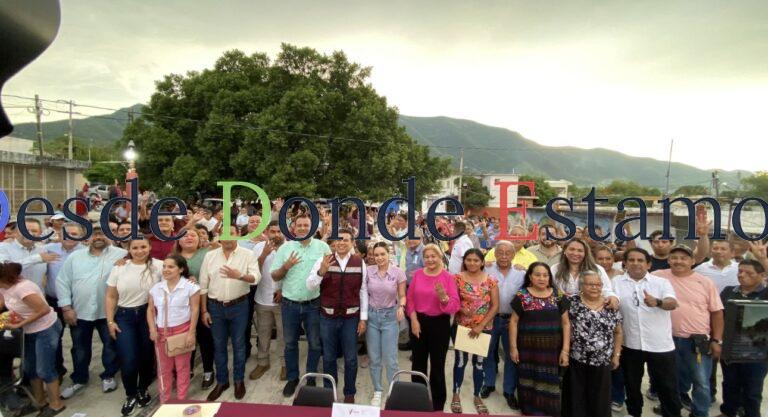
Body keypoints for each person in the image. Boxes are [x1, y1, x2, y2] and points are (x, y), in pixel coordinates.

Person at [654, 245, 724, 417]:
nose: (678, 261)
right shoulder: (657, 277)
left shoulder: (705, 282)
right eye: (675, 257)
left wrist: (717, 340)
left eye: (684, 258)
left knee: (701, 382)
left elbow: (716, 313)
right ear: (668, 260)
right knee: (671, 380)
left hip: (697, 341)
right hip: (666, 339)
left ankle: (700, 413)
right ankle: (671, 409)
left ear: (693, 261)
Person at [56, 225, 125, 399]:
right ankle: (79, 378)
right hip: (80, 312)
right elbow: (62, 281)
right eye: (95, 235)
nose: (99, 237)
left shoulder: (121, 254)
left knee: (110, 346)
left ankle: (108, 375)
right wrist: (66, 307)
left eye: (103, 234)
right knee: (79, 348)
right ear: (87, 238)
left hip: (108, 312)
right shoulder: (75, 257)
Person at [612, 248, 681, 417]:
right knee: (632, 386)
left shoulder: (661, 283)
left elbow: (672, 303)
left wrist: (657, 302)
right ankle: (635, 413)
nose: (636, 263)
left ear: (648, 264)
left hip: (660, 345)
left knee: (667, 387)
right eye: (632, 260)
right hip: (631, 344)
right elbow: (611, 298)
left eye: (640, 260)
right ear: (625, 263)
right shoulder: (616, 282)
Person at [270, 213, 331, 397]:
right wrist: (286, 266)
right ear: (293, 228)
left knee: (314, 343)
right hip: (289, 305)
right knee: (290, 344)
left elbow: (330, 275)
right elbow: (274, 276)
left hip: (313, 304)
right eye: (300, 225)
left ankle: (310, 376)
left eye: (307, 225)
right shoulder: (285, 249)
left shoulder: (323, 247)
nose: (304, 228)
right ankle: (292, 378)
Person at [199, 225, 260, 401]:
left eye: (231, 233)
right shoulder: (210, 256)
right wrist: (204, 311)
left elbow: (256, 277)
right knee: (219, 346)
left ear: (238, 235)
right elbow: (203, 285)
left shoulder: (247, 255)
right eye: (223, 234)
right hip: (215, 307)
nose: (227, 237)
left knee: (239, 344)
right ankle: (222, 381)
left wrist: (239, 276)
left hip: (239, 306)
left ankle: (239, 380)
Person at [307, 228, 368, 403]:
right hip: (328, 316)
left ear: (352, 243)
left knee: (350, 358)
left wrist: (363, 318)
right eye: (338, 240)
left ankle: (349, 393)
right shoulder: (323, 260)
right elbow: (310, 285)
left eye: (346, 240)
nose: (341, 242)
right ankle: (329, 391)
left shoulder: (359, 262)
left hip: (351, 318)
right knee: (328, 357)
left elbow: (363, 291)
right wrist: (321, 272)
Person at [0, 262, 65, 417]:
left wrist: (20, 324)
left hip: (45, 329)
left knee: (45, 369)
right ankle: (40, 401)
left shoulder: (22, 288)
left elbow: (43, 309)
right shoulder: (4, 286)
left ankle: (56, 404)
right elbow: (2, 302)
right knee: (30, 369)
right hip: (29, 330)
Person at [105, 237, 162, 416]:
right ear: (128, 249)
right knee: (128, 359)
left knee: (146, 357)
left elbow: (178, 271)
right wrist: (110, 321)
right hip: (124, 317)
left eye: (143, 247)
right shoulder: (119, 267)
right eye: (135, 248)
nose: (139, 251)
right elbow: (111, 296)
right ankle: (130, 393)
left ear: (149, 247)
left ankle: (142, 389)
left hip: (148, 315)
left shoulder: (159, 266)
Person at [509, 262, 570, 417]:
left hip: (551, 351)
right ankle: (529, 411)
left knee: (550, 381)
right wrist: (513, 348)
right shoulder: (522, 295)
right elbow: (514, 322)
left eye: (545, 275)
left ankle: (548, 411)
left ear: (550, 277)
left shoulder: (558, 295)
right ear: (530, 276)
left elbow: (566, 323)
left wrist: (565, 350)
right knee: (528, 380)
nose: (542, 278)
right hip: (527, 350)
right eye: (537, 275)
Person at [406, 243, 460, 412]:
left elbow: (454, 306)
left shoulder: (448, 277)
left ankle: (437, 406)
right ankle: (418, 401)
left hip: (440, 324)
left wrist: (444, 297)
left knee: (437, 367)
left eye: (433, 256)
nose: (430, 259)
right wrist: (413, 320)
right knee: (418, 364)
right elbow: (410, 300)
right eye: (426, 256)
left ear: (439, 257)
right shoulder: (418, 275)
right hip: (418, 322)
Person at [566, 270, 623, 417]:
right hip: (577, 359)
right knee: (577, 397)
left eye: (598, 284)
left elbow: (618, 332)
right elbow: (565, 327)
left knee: (600, 399)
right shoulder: (572, 302)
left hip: (603, 360)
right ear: (581, 286)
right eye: (590, 284)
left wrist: (616, 355)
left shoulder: (610, 304)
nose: (594, 288)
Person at [450, 249, 498, 415]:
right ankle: (456, 394)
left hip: (483, 329)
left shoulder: (490, 280)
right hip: (461, 327)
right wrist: (460, 308)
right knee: (460, 362)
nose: (472, 263)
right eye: (468, 260)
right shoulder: (456, 278)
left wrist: (481, 325)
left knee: (478, 364)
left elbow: (495, 306)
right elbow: (453, 301)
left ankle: (477, 396)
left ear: (482, 262)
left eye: (476, 260)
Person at [718, 258, 768, 417]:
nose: (742, 275)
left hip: (757, 352)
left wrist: (763, 260)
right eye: (740, 271)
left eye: (749, 273)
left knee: (752, 389)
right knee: (729, 384)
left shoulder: (765, 293)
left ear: (761, 275)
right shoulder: (728, 291)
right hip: (730, 348)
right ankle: (728, 412)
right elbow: (718, 316)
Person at [147, 255, 200, 403]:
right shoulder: (156, 288)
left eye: (171, 267)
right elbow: (151, 310)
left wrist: (191, 333)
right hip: (161, 333)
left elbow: (195, 310)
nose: (166, 270)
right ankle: (165, 400)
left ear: (181, 269)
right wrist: (152, 329)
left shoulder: (191, 287)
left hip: (182, 331)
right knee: (163, 369)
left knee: (182, 368)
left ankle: (181, 399)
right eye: (164, 266)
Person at [482, 240, 525, 409]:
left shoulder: (521, 273)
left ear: (514, 255)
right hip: (490, 318)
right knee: (487, 351)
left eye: (508, 253)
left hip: (512, 321)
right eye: (500, 252)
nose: (504, 256)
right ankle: (489, 383)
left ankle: (509, 390)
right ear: (495, 253)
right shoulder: (486, 269)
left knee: (511, 355)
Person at [364, 242, 406, 407]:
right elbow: (363, 293)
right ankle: (378, 390)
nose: (379, 258)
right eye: (376, 255)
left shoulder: (398, 273)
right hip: (372, 317)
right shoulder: (368, 271)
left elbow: (402, 295)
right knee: (374, 358)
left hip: (390, 317)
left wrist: (401, 306)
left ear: (389, 254)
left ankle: (394, 389)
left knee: (391, 358)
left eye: (382, 254)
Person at [41, 223, 85, 380]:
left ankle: (80, 374)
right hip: (53, 302)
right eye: (66, 233)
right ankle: (57, 371)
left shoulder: (86, 252)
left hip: (78, 303)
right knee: (53, 340)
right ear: (59, 235)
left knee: (79, 342)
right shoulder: (48, 250)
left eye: (74, 233)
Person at [173, 229, 216, 389]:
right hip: (181, 307)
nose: (189, 238)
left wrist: (211, 243)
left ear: (200, 239)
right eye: (184, 235)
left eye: (193, 235)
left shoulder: (208, 253)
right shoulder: (173, 257)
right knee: (185, 340)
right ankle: (186, 370)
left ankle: (208, 370)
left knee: (206, 339)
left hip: (204, 303)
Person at [248, 220, 286, 382]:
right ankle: (263, 362)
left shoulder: (289, 247)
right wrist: (263, 254)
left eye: (279, 231)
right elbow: (253, 272)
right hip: (262, 298)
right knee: (263, 333)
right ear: (267, 232)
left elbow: (294, 273)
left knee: (285, 335)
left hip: (283, 299)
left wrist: (283, 290)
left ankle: (285, 364)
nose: (276, 235)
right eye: (273, 231)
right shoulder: (257, 248)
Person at [551, 239, 619, 308]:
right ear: (565, 251)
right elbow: (550, 290)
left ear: (585, 253)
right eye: (572, 249)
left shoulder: (597, 269)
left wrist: (612, 297)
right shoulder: (555, 269)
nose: (575, 253)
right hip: (562, 311)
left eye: (580, 250)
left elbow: (606, 290)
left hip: (590, 311)